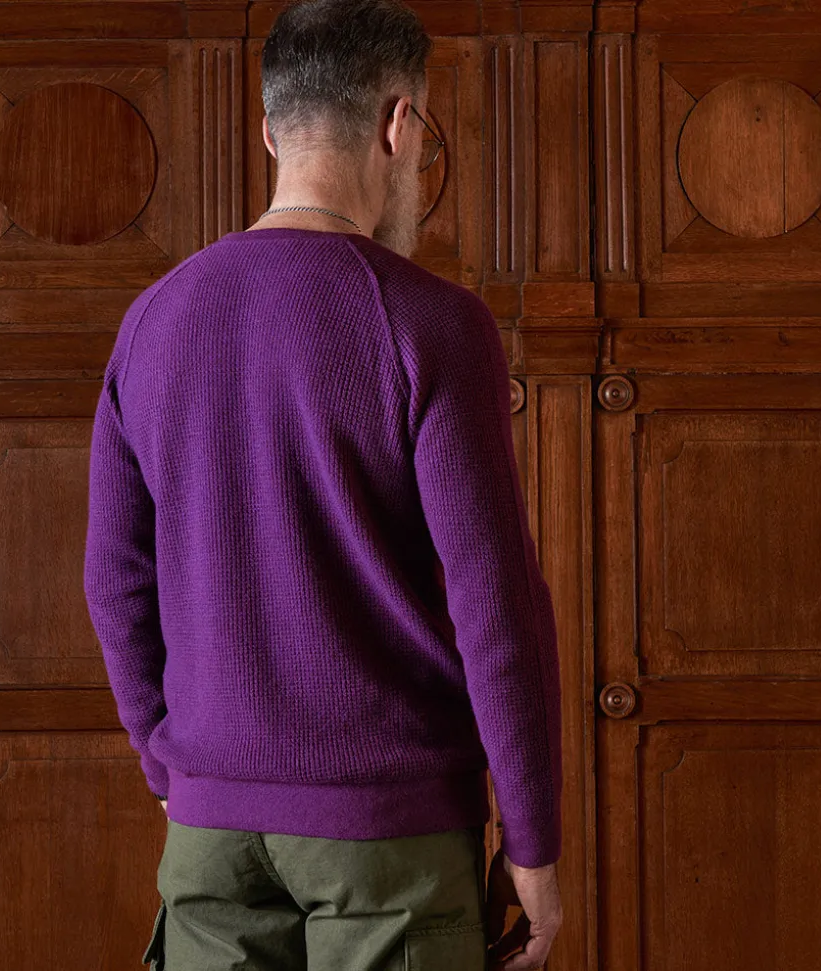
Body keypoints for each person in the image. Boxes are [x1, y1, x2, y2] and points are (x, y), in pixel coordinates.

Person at [83, 0, 563, 968]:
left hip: (210, 830)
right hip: (388, 832)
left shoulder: (153, 319)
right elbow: (495, 605)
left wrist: (169, 765)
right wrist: (534, 844)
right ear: (399, 125)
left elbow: (114, 580)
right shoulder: (433, 323)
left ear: (269, 130)